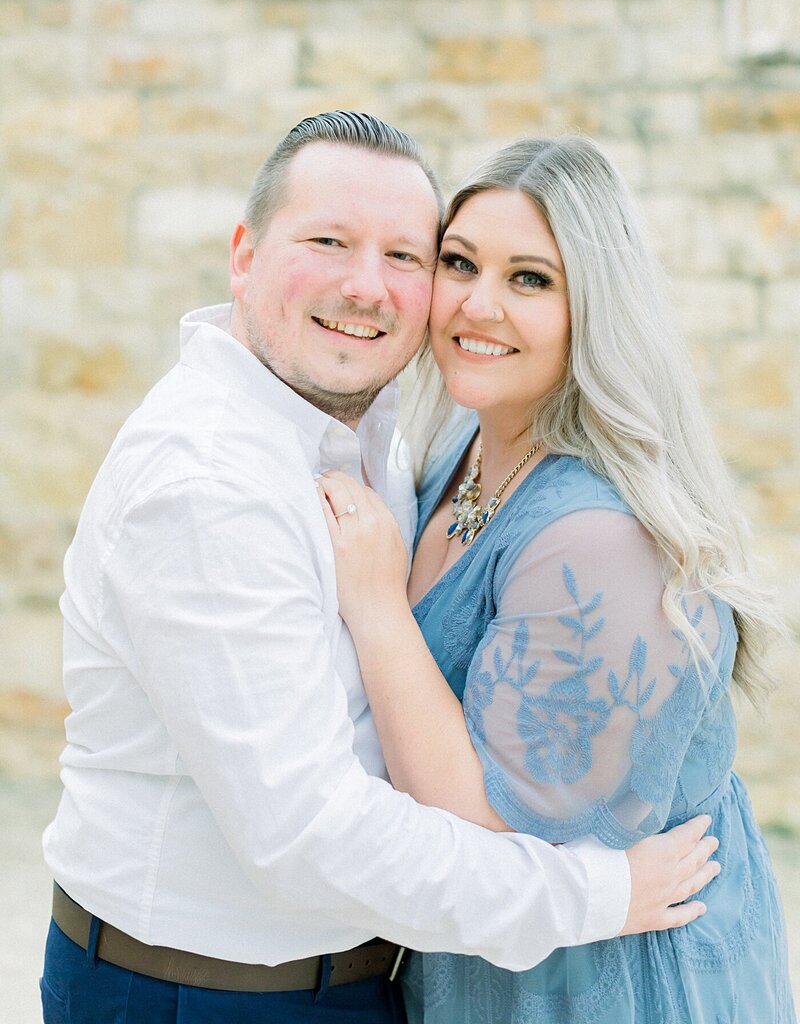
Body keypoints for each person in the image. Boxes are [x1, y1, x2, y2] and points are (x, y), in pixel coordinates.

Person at [41, 114, 720, 1024]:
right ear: (244, 255)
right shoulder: (208, 485)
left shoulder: (382, 439)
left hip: (360, 978)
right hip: (208, 994)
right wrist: (594, 896)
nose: (367, 287)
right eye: (328, 242)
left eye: (406, 255)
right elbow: (309, 834)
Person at [319, 134, 796, 1024]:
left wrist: (377, 607)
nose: (477, 304)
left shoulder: (601, 539)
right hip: (490, 958)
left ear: (594, 310)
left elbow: (489, 826)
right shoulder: (466, 445)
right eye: (458, 263)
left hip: (604, 986)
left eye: (530, 279)